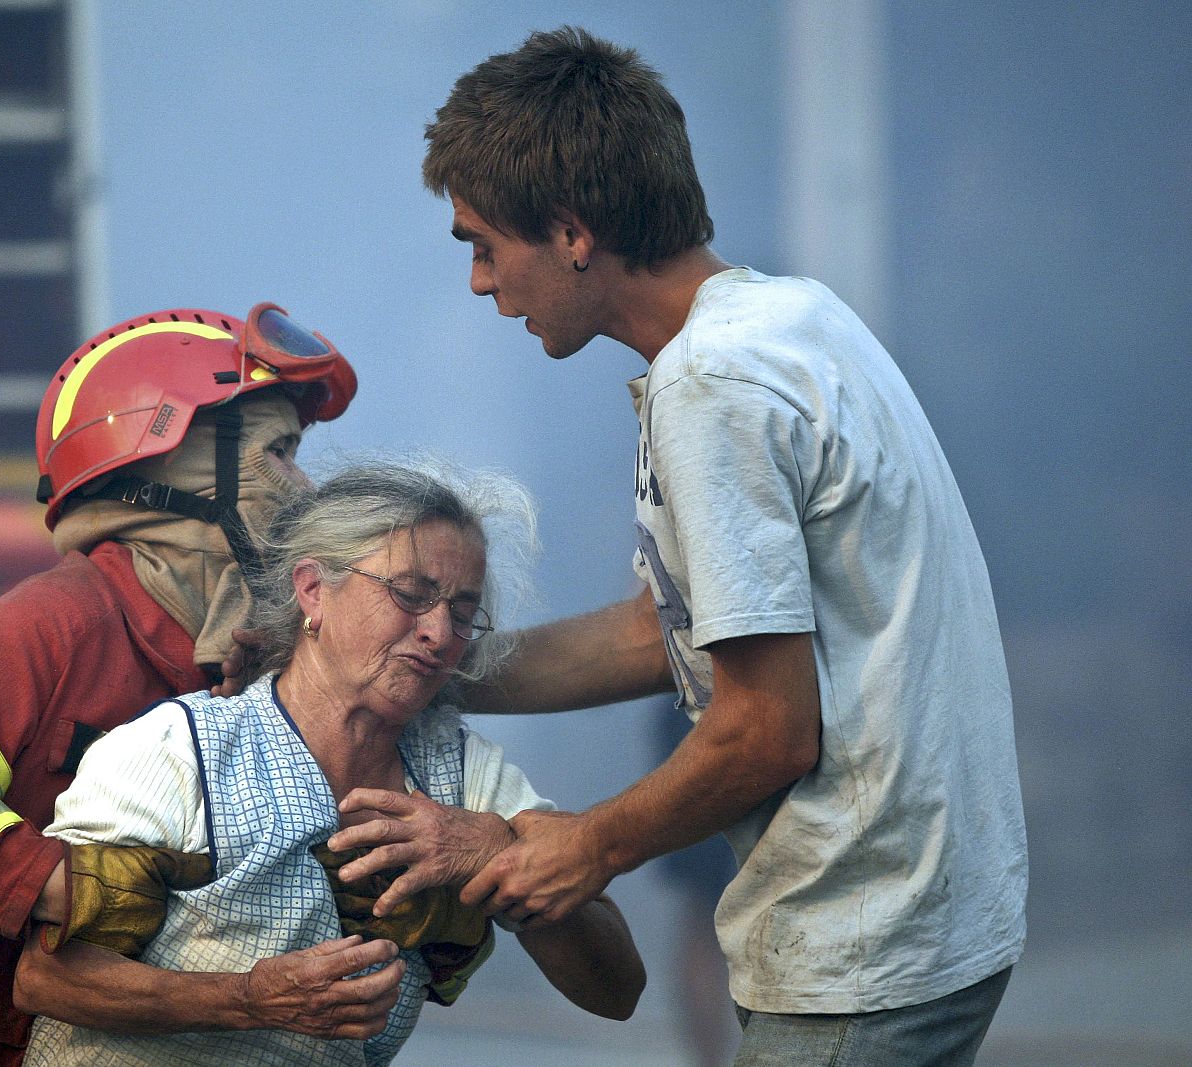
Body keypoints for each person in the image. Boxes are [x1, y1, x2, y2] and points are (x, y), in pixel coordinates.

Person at [333, 26, 1028, 1066]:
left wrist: (585, 841)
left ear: (571, 231)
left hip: (857, 945)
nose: (482, 283)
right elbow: (667, 629)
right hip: (927, 917)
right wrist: (437, 666)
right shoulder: (791, 316)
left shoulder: (713, 387)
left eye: (484, 243)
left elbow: (766, 730)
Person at [0, 302, 358, 1067]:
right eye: (279, 453)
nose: (304, 489)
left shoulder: (258, 657)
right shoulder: (58, 624)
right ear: (182, 466)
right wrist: (50, 880)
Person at [13, 462, 646, 1066]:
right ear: (314, 590)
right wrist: (249, 1000)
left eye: (462, 612)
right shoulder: (177, 750)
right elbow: (45, 980)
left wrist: (499, 852)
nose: (440, 633)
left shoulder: (467, 778)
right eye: (411, 593)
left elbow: (617, 992)